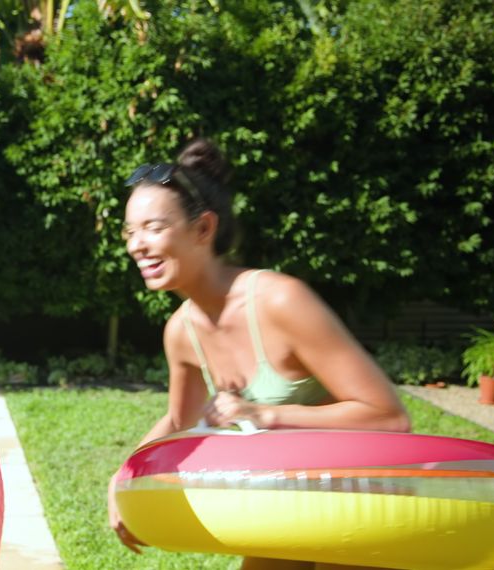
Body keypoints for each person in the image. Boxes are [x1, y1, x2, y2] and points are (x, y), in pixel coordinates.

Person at [107, 139, 410, 569]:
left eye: (153, 227)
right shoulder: (181, 331)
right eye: (130, 231)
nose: (137, 244)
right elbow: (178, 421)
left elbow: (388, 417)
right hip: (288, 515)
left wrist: (266, 415)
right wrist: (124, 475)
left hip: (360, 514)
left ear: (204, 229)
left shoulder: (280, 301)